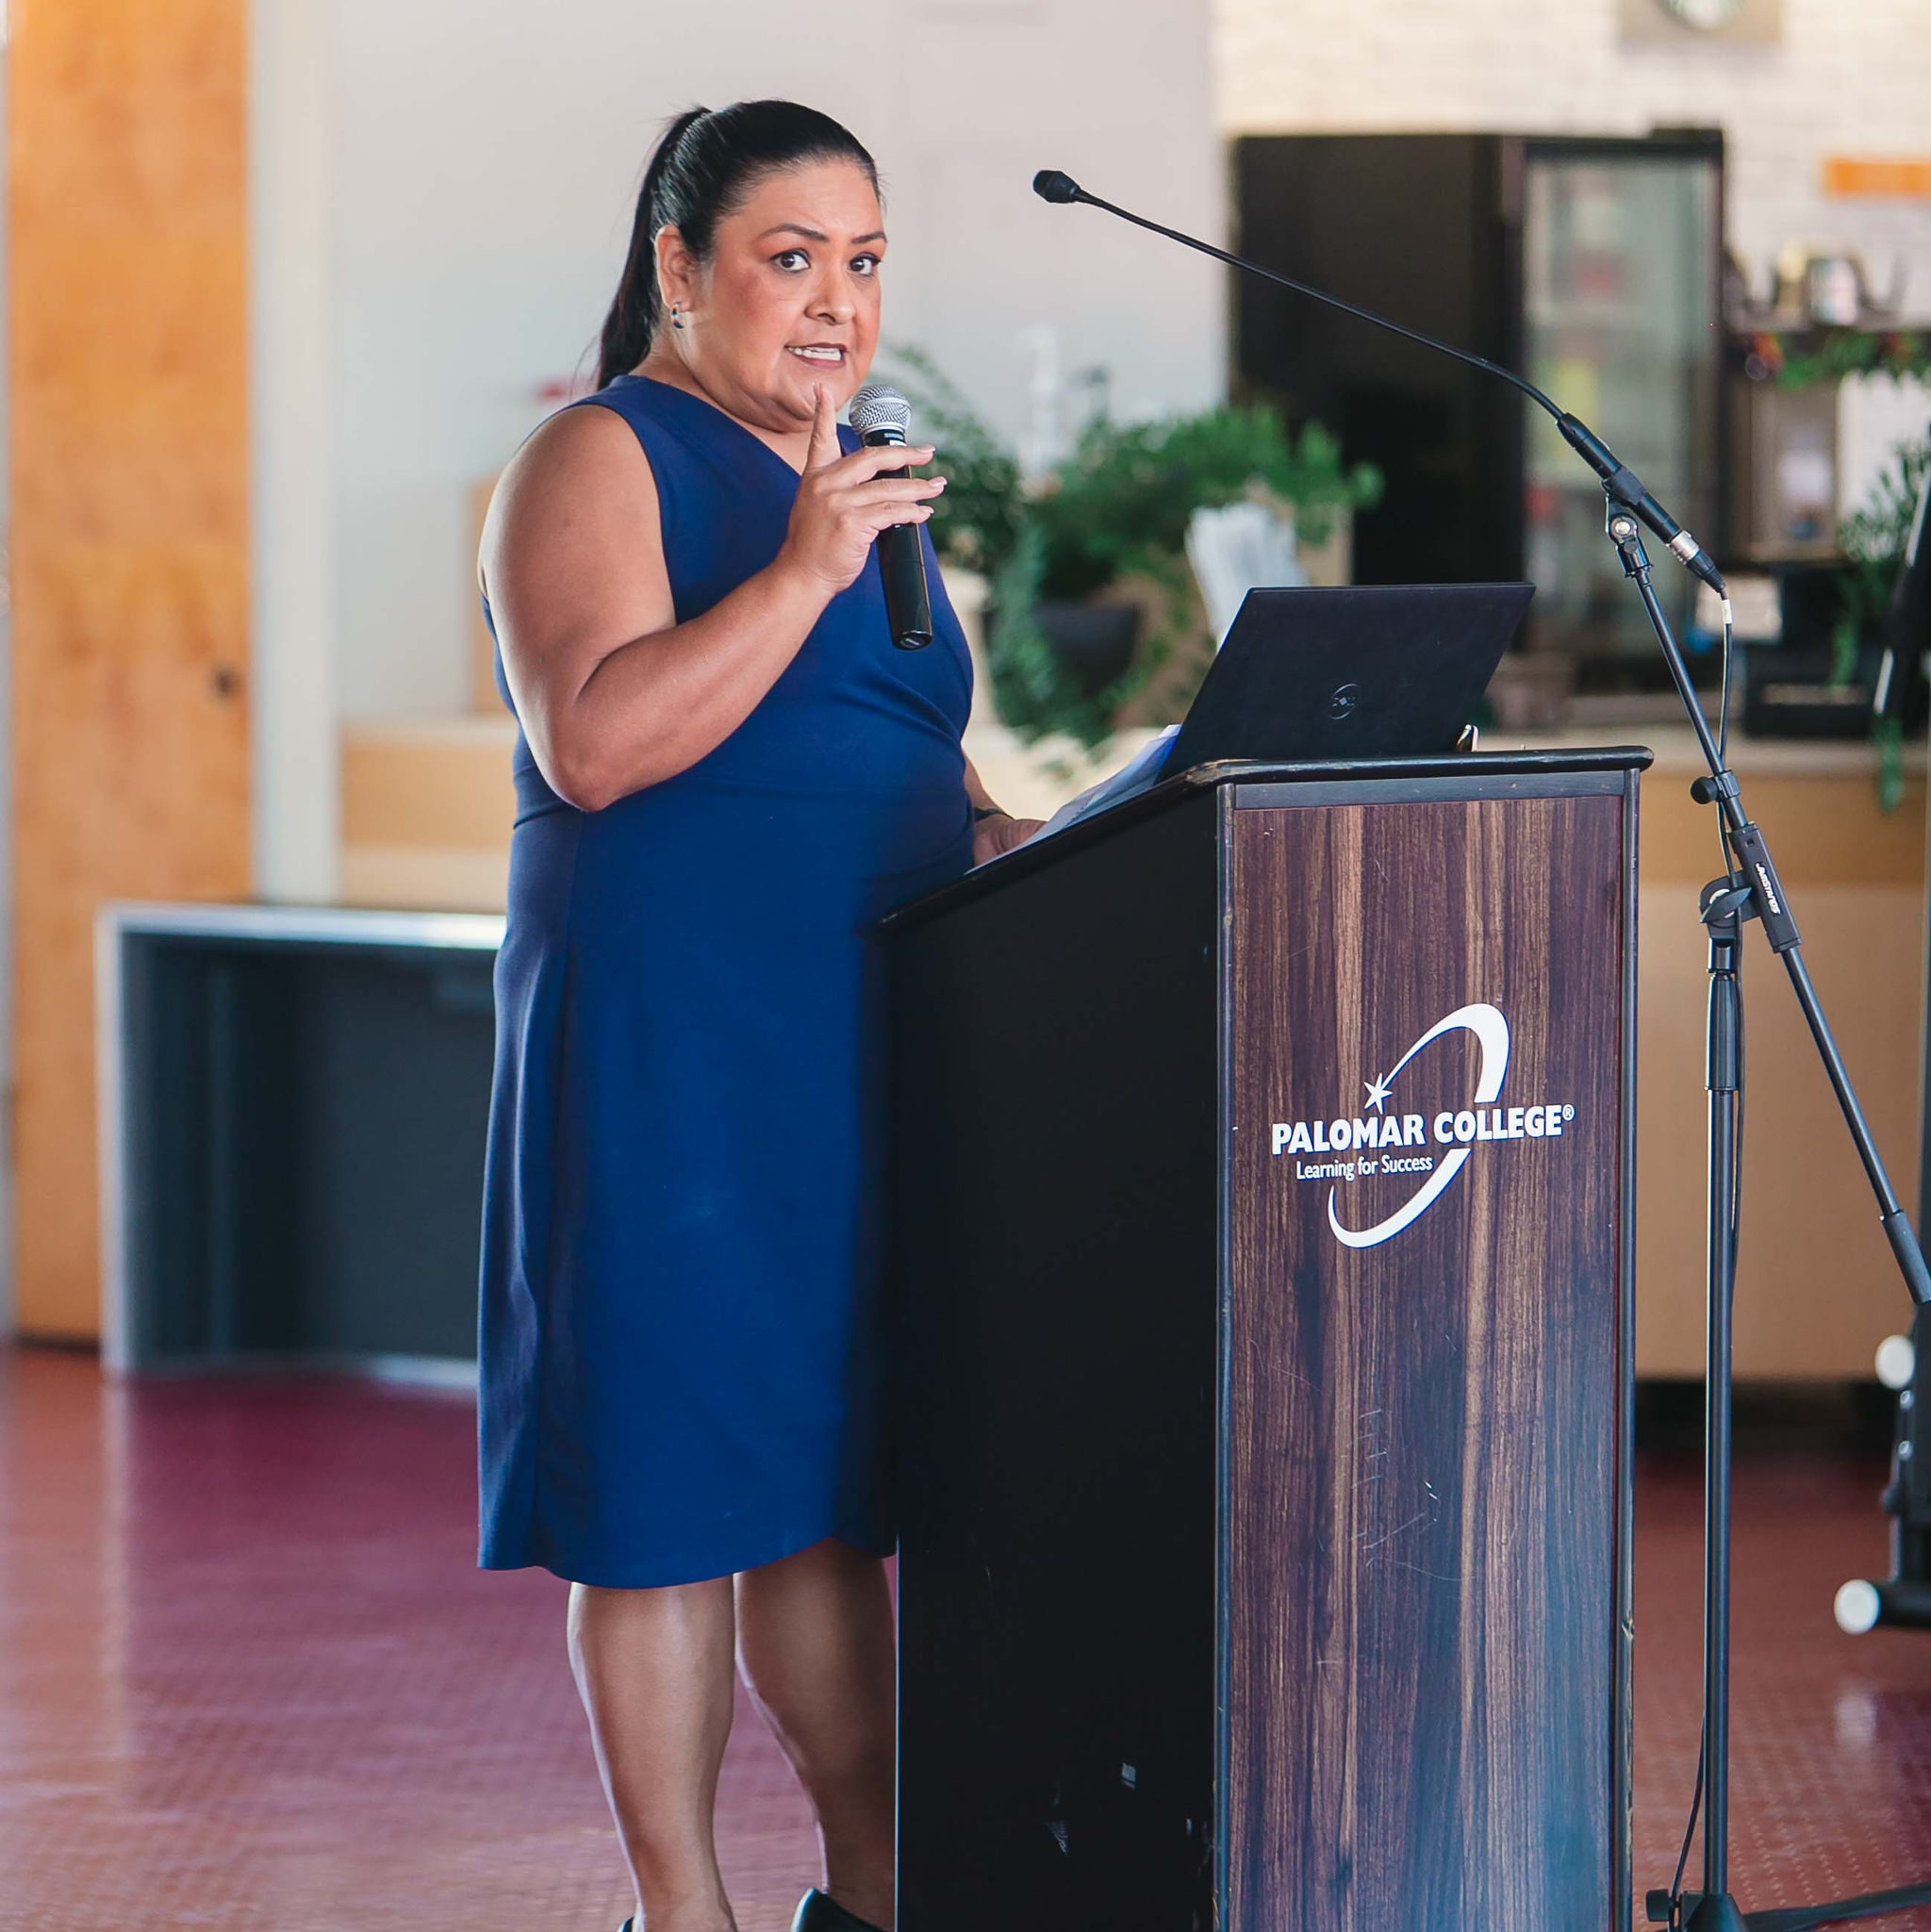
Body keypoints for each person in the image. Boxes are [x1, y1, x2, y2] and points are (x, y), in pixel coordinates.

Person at [473, 100, 1043, 1932]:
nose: (835, 305)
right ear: (679, 266)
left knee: (822, 1494)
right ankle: (684, 1910)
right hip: (674, 1050)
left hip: (853, 1044)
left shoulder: (857, 476)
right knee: (664, 1495)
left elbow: (887, 748)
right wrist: (803, 566)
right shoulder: (597, 456)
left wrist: (1012, 829)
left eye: (862, 263)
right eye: (790, 260)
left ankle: (881, 1895)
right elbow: (595, 740)